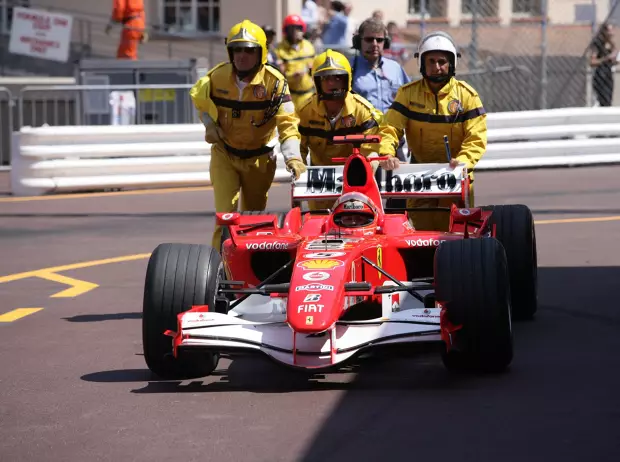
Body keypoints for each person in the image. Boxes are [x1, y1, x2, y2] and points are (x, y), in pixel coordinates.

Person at [190, 19, 306, 251]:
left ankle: (249, 268)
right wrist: (208, 123)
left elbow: (288, 123)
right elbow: (199, 100)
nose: (242, 56)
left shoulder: (276, 83)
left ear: (261, 53)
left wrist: (293, 157)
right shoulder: (216, 77)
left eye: (249, 50)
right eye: (237, 49)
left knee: (254, 219)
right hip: (225, 155)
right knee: (225, 216)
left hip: (259, 160)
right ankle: (216, 266)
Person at [385, 31, 487, 231]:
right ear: (422, 63)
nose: (437, 67)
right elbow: (389, 128)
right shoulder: (407, 94)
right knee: (418, 236)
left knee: (457, 236)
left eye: (442, 61)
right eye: (431, 61)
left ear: (452, 64)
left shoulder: (467, 97)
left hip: (456, 175)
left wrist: (464, 160)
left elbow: (476, 138)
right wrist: (386, 153)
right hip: (418, 175)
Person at [297, 49, 400, 210]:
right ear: (317, 81)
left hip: (357, 185)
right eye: (326, 79)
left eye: (338, 78)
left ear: (348, 79)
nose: (332, 84)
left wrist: (384, 155)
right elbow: (298, 148)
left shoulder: (362, 110)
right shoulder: (304, 111)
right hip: (319, 186)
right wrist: (298, 170)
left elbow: (377, 141)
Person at [350, 18, 410, 162]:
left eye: (379, 40)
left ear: (386, 43)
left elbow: (410, 101)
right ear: (359, 42)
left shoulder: (395, 68)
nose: (375, 44)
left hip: (393, 141)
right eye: (369, 39)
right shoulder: (348, 68)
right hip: (361, 144)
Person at [275, 15, 316, 109]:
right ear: (286, 30)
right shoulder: (280, 49)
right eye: (291, 29)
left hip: (309, 95)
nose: (295, 32)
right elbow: (279, 75)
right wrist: (291, 76)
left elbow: (314, 68)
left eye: (298, 28)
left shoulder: (308, 46)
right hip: (289, 97)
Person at [589, 22, 618, 107]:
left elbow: (613, 57)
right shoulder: (598, 44)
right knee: (602, 99)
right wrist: (606, 59)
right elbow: (592, 62)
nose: (612, 33)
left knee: (608, 98)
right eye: (609, 30)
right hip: (600, 74)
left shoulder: (611, 44)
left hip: (608, 73)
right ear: (604, 32)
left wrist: (614, 59)